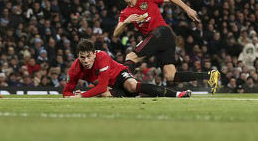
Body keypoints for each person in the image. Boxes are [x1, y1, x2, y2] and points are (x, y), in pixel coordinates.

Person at [113, 0, 220, 92]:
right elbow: (116, 33)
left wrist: (187, 9)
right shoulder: (125, 13)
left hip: (162, 32)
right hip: (159, 39)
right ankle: (209, 76)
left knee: (131, 57)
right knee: (170, 76)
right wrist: (126, 22)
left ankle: (125, 87)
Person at [63, 39, 191, 98]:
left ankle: (178, 94)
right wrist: (72, 96)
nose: (85, 61)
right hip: (110, 86)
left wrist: (82, 96)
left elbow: (101, 87)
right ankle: (134, 96)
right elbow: (66, 92)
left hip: (120, 75)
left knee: (132, 86)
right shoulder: (75, 68)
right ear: (77, 56)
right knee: (101, 95)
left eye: (88, 56)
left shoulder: (102, 57)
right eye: (82, 57)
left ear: (94, 54)